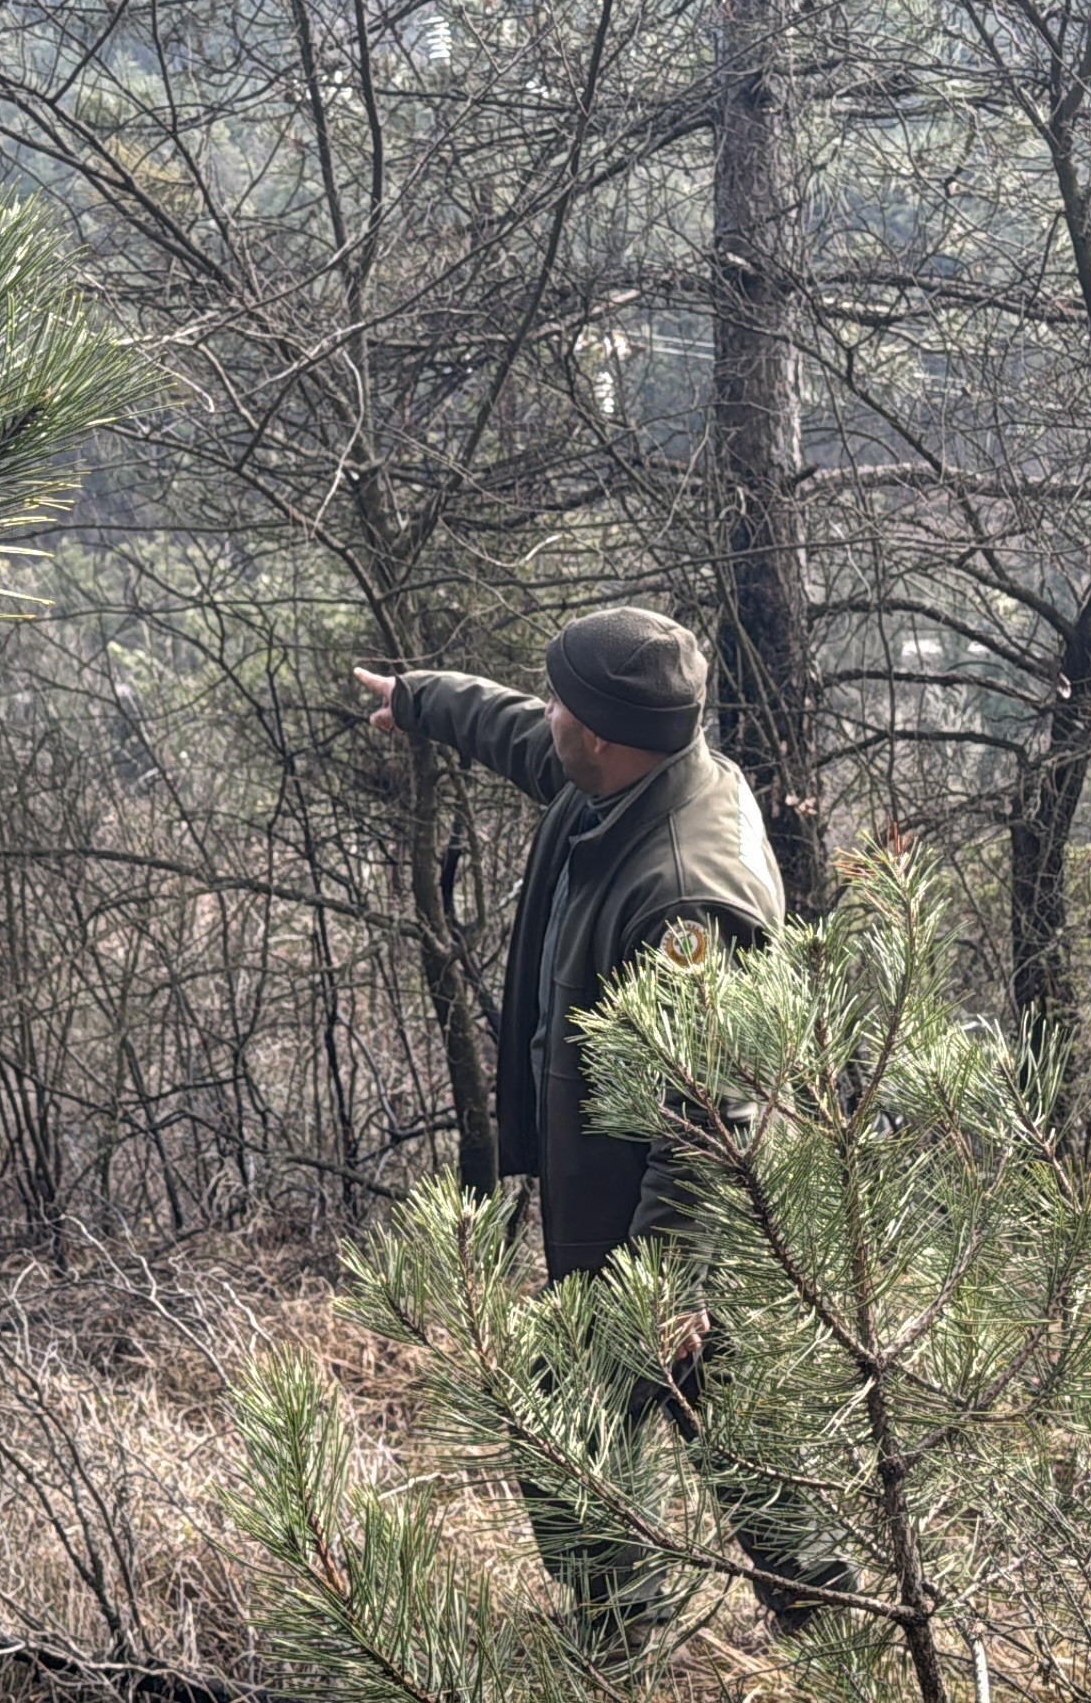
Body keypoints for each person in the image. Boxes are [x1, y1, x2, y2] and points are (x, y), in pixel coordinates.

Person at [354, 606, 852, 1655]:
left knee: (560, 1419)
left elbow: (717, 1114)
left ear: (612, 734)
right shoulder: (629, 779)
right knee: (740, 1441)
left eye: (564, 703)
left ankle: (624, 1646)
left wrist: (666, 1285)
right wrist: (422, 700)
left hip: (675, 1226)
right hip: (637, 1214)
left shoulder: (685, 892)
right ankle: (836, 1634)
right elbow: (522, 738)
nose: (548, 714)